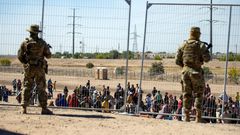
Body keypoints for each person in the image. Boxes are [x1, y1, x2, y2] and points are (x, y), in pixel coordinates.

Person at [175, 27, 211, 122]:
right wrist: (206, 52)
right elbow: (207, 59)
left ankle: (186, 117)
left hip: (185, 73)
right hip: (196, 73)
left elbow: (177, 61)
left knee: (186, 94)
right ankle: (198, 117)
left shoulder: (183, 45)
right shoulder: (201, 45)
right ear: (198, 34)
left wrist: (185, 67)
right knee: (198, 94)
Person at [17, 24, 53, 115]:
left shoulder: (25, 43)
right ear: (37, 33)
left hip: (29, 68)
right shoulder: (42, 43)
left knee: (26, 86)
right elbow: (48, 55)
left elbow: (20, 56)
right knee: (41, 88)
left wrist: (26, 62)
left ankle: (24, 108)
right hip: (39, 68)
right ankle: (44, 108)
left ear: (30, 32)